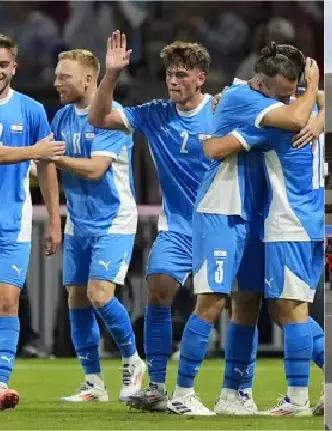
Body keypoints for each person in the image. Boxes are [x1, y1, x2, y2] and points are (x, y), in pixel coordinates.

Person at [193, 43, 325, 416]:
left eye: (291, 90)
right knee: (285, 309)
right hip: (309, 221)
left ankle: (297, 399)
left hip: (289, 220)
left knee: (290, 310)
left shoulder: (279, 120)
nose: (286, 97)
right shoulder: (307, 105)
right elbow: (311, 106)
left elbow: (215, 149)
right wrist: (317, 104)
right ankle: (299, 393)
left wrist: (223, 117)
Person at [88, 32, 216, 411]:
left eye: (181, 74)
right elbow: (98, 115)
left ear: (200, 78)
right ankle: (158, 386)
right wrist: (110, 75)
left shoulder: (223, 109)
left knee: (249, 307)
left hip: (222, 225)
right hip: (177, 227)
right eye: (169, 74)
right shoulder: (155, 113)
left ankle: (235, 392)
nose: (173, 80)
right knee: (157, 291)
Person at [50, 49, 145, 402]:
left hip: (114, 221)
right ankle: (93, 382)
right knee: (76, 298)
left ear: (89, 79)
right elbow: (46, 162)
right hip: (78, 221)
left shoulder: (111, 117)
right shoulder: (60, 117)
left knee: (99, 294)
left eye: (64, 77)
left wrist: (52, 158)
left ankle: (133, 361)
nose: (56, 82)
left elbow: (93, 169)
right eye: (57, 76)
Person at [0, 33, 64, 410]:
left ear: (14, 67)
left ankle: (1, 380)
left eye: (3, 64)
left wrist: (55, 221)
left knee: (8, 300)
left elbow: (47, 167)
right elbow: (34, 154)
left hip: (13, 221)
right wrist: (34, 150)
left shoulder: (31, 110)